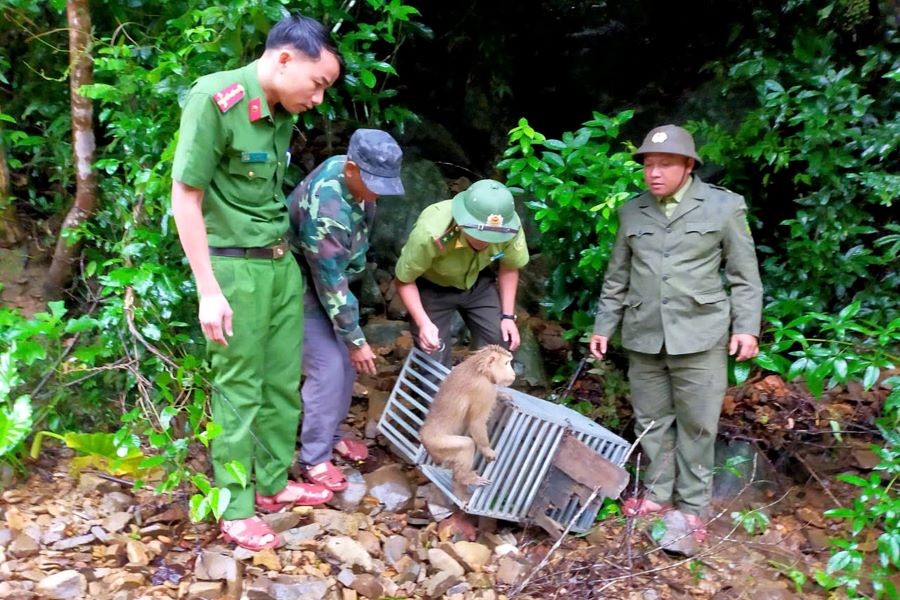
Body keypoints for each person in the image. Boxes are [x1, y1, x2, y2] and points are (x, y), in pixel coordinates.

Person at [171, 15, 342, 551]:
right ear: (285, 58)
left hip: (278, 263)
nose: (318, 98)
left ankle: (270, 484)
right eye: (318, 83)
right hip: (234, 269)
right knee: (240, 388)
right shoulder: (216, 99)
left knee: (280, 381)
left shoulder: (281, 112)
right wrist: (208, 289)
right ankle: (235, 505)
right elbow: (185, 197)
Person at [588, 124, 763, 546]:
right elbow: (617, 276)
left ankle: (692, 506)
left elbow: (744, 276)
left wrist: (746, 328)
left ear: (688, 166)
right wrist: (603, 326)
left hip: (701, 333)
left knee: (698, 424)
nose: (654, 173)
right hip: (644, 333)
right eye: (648, 164)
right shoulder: (633, 211)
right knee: (650, 420)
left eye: (665, 164)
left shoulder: (723, 207)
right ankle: (657, 494)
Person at [288, 128, 404, 492]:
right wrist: (355, 339)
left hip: (331, 281)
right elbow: (329, 281)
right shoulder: (328, 209)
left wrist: (352, 341)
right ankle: (314, 458)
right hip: (301, 285)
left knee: (348, 362)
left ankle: (333, 434)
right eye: (373, 184)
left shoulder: (353, 178)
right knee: (328, 367)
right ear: (352, 168)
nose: (377, 193)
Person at [394, 179, 529, 366]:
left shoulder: (509, 227)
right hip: (433, 287)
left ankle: (478, 382)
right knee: (433, 357)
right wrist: (423, 322)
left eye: (494, 237)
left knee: (499, 345)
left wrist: (508, 317)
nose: (486, 242)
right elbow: (404, 279)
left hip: (478, 282)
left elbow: (510, 267)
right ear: (462, 223)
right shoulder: (431, 231)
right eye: (480, 235)